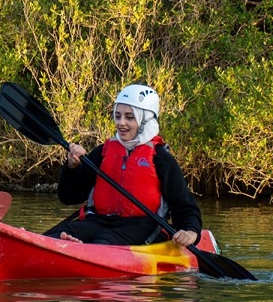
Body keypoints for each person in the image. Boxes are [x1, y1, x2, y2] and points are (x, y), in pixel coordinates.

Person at [43, 83, 203, 247]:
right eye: (117, 116)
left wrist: (190, 231)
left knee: (104, 241)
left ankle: (86, 252)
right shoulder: (102, 152)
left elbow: (184, 206)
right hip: (97, 221)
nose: (121, 123)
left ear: (144, 119)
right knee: (58, 235)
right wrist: (72, 168)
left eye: (129, 117)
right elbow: (69, 197)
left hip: (142, 226)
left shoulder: (160, 158)